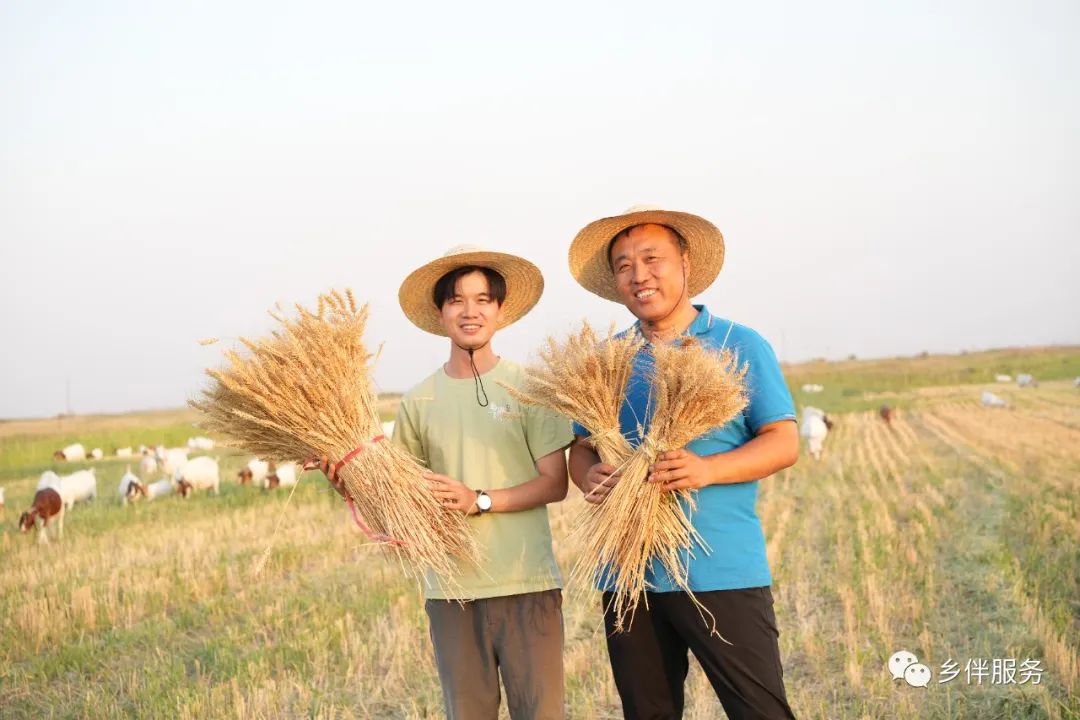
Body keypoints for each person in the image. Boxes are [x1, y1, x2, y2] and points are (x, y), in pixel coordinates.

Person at [566, 205, 800, 720]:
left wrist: (707, 470)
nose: (639, 275)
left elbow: (783, 441)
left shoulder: (739, 345)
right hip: (628, 575)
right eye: (624, 265)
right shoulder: (605, 360)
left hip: (721, 569)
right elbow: (581, 447)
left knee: (759, 710)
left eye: (652, 258)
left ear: (685, 263)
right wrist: (588, 475)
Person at [324, 245, 573, 720]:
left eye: (482, 299)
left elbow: (554, 483)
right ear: (440, 314)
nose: (470, 310)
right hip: (451, 591)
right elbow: (403, 502)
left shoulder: (529, 389)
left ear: (500, 311)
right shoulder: (419, 401)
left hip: (526, 582)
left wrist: (478, 500)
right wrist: (347, 478)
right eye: (457, 300)